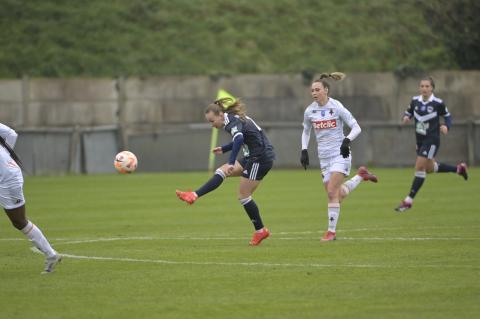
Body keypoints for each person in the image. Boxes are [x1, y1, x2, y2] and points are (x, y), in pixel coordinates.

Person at [176, 97, 275, 246]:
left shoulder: (231, 122)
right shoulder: (231, 119)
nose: (212, 125)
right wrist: (224, 148)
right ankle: (194, 195)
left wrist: (231, 161)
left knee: (243, 196)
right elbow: (241, 138)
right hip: (251, 155)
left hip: (260, 158)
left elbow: (240, 138)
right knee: (221, 171)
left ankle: (261, 231)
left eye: (212, 121)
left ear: (220, 115)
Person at [300, 72, 378, 242]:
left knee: (331, 192)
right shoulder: (310, 111)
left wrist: (346, 141)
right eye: (312, 90)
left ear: (326, 90)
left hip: (340, 154)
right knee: (338, 194)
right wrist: (304, 149)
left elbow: (356, 127)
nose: (314, 93)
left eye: (317, 90)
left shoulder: (337, 107)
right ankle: (361, 175)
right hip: (324, 157)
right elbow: (306, 131)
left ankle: (331, 233)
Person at [395, 76, 468, 212]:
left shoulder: (438, 103)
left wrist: (447, 126)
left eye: (427, 86)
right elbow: (409, 111)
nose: (424, 88)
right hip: (420, 140)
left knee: (419, 166)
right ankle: (459, 169)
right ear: (419, 88)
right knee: (429, 168)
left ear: (432, 88)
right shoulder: (415, 101)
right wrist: (406, 117)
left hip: (432, 140)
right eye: (422, 86)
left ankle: (408, 201)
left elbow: (447, 116)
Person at [0, 123, 61, 273]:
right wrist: (7, 157)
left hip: (7, 179)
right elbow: (11, 134)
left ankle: (51, 254)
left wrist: (5, 160)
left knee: (19, 221)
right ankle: (51, 254)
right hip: (10, 173)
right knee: (19, 221)